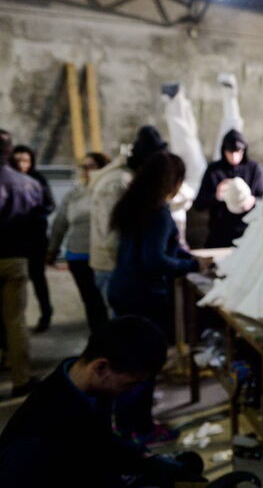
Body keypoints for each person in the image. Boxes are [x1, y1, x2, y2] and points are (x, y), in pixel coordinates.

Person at [0, 315, 205, 487]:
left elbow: (98, 441)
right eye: (129, 384)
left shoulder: (86, 386)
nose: (130, 392)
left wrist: (146, 459)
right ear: (100, 367)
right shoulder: (39, 437)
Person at [107, 152, 210, 443]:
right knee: (142, 364)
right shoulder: (158, 211)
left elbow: (164, 248)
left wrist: (188, 257)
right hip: (143, 296)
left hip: (123, 290)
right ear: (172, 182)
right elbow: (155, 261)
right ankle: (139, 429)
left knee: (126, 360)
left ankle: (127, 423)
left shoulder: (135, 204)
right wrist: (192, 265)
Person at [89, 125, 167, 311]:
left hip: (121, 268)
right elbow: (111, 235)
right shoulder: (119, 183)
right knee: (123, 329)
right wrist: (128, 267)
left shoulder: (128, 178)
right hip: (112, 268)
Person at [46, 152, 111, 334]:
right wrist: (52, 250)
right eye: (84, 167)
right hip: (78, 255)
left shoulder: (108, 191)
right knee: (91, 301)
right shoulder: (75, 193)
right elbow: (60, 223)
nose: (87, 171)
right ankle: (98, 338)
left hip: (104, 256)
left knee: (106, 302)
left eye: (92, 167)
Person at [0, 131, 43, 398]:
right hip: (16, 258)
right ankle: (21, 379)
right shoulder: (28, 184)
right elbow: (38, 219)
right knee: (15, 320)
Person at [194, 129, 263, 248]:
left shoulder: (254, 169)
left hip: (249, 233)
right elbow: (199, 204)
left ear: (244, 150)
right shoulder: (214, 171)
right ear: (223, 151)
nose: (234, 156)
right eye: (230, 152)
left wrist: (253, 201)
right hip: (220, 234)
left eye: (238, 151)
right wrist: (217, 196)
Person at [10, 145, 56, 332]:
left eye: (26, 160)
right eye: (18, 160)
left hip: (35, 238)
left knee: (38, 278)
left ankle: (46, 313)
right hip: (14, 241)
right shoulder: (9, 180)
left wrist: (31, 215)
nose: (22, 164)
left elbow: (49, 204)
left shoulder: (37, 179)